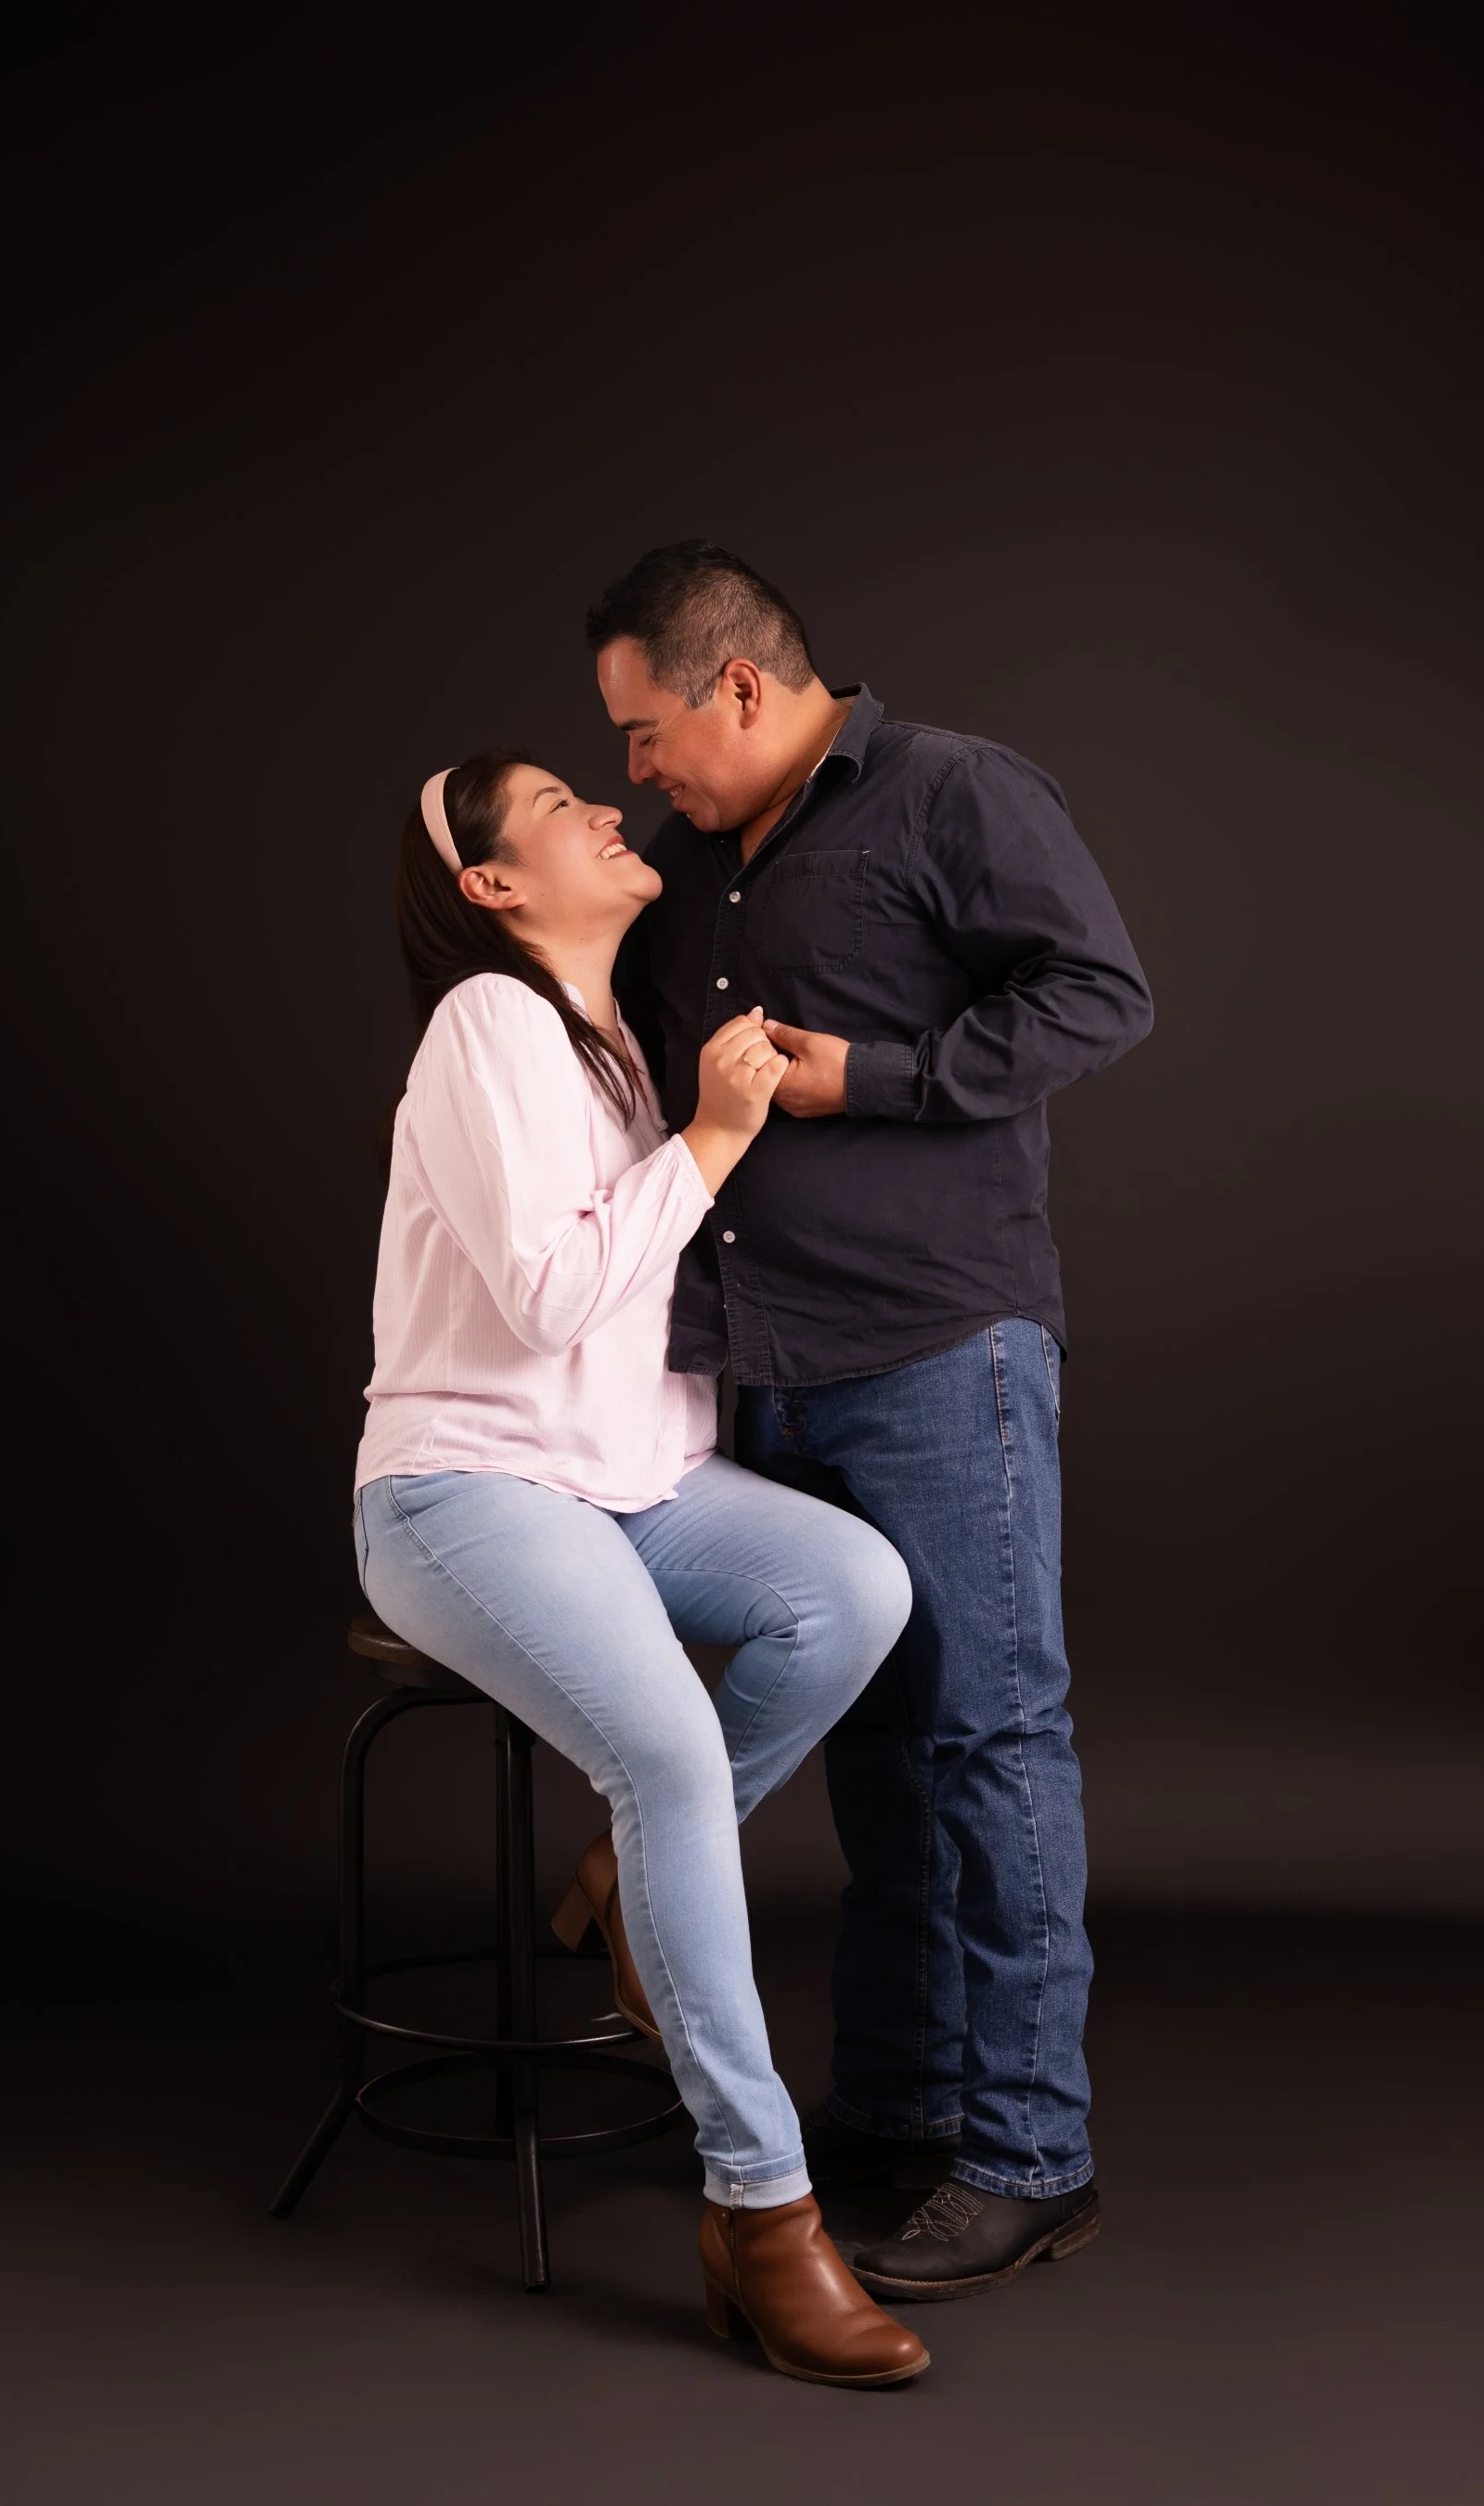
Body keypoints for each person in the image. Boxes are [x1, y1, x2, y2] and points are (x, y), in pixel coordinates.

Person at [590, 543, 1155, 2303]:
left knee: (990, 1741)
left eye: (646, 730)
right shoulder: (692, 863)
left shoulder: (954, 790)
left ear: (742, 685)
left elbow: (1100, 993)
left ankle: (1031, 2157)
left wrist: (880, 1079)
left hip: (935, 1349)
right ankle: (904, 2111)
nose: (637, 769)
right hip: (762, 1366)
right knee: (879, 1754)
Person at [353, 746, 928, 2383]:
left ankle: (627, 1876)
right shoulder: (486, 1022)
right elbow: (548, 1300)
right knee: (668, 1751)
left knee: (855, 1592)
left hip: (633, 1484)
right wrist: (718, 1138)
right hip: (467, 1487)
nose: (609, 810)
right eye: (560, 809)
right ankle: (763, 2211)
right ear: (491, 886)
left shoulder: (607, 1046)